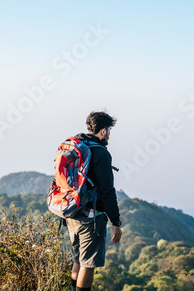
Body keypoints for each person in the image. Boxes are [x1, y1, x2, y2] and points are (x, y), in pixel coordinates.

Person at [66, 111, 122, 291]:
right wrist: (115, 222)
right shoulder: (100, 153)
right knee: (88, 264)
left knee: (78, 260)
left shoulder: (78, 145)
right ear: (104, 131)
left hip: (71, 213)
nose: (109, 135)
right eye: (109, 131)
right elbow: (107, 191)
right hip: (91, 217)